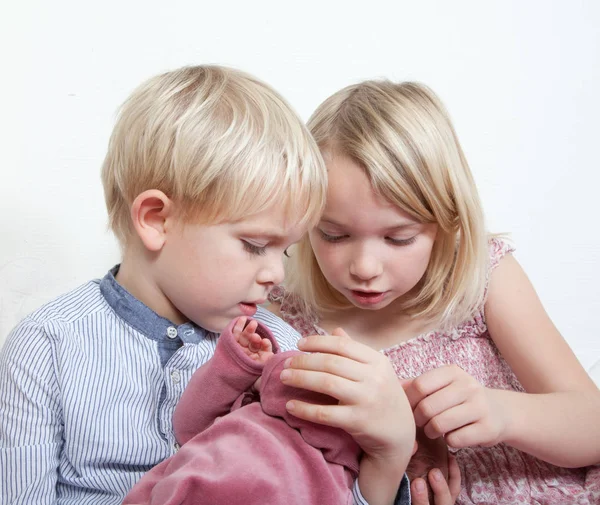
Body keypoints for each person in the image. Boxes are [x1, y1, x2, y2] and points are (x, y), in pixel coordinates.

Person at [0, 65, 428, 505]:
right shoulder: (46, 346)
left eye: (284, 252)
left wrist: (387, 457)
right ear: (156, 220)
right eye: (254, 244)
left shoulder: (279, 346)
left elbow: (323, 488)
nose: (277, 274)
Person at [268, 79, 600, 504]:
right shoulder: (282, 322)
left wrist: (502, 413)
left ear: (446, 221)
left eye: (399, 238)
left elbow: (592, 424)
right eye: (334, 235)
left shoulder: (484, 278)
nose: (365, 267)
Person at [122, 315, 362, 505]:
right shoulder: (248, 407)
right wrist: (236, 367)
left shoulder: (345, 449)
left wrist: (273, 370)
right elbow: (187, 429)